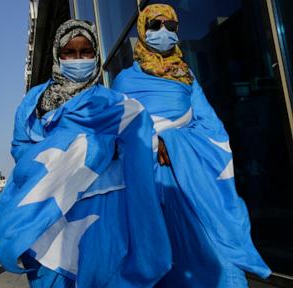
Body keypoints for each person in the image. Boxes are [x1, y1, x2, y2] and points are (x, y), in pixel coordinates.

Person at [0, 19, 171, 288]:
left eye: (85, 52)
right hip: (51, 210)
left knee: (102, 270)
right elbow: (20, 148)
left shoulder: (113, 102)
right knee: (53, 277)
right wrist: (68, 154)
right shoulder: (34, 102)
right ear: (57, 55)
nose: (78, 59)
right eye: (69, 53)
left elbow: (139, 134)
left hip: (103, 206)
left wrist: (153, 140)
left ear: (96, 54)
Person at [112, 4, 271, 288]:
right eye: (155, 26)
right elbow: (119, 134)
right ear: (142, 30)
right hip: (152, 185)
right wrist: (153, 142)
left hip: (195, 179)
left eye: (170, 26)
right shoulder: (124, 81)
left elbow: (211, 125)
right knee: (165, 260)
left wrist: (174, 142)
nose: (163, 32)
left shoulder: (186, 76)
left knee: (218, 257)